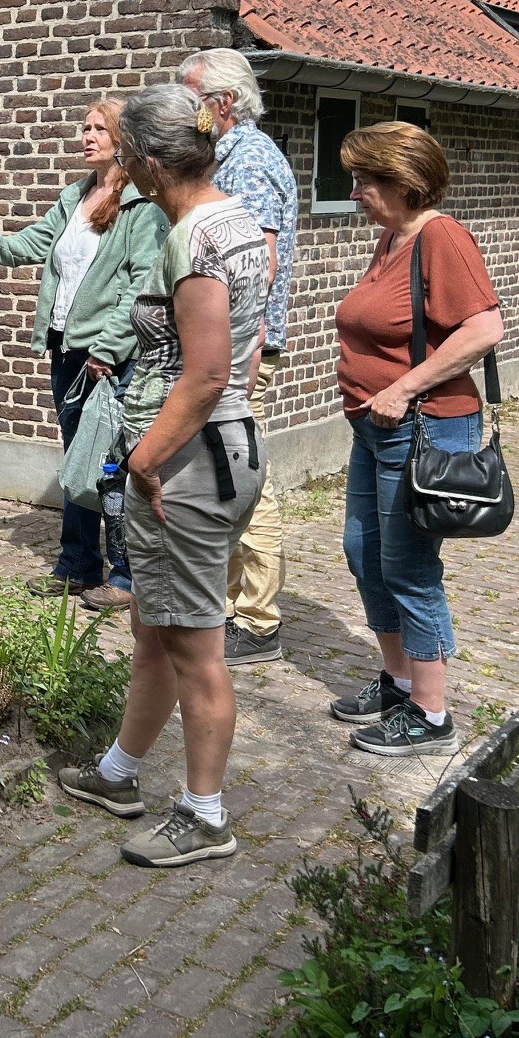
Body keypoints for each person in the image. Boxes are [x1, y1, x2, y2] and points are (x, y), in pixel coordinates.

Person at [58, 83, 269, 868]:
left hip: (185, 462)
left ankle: (206, 815)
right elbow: (240, 349)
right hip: (219, 450)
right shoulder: (235, 217)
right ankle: (119, 773)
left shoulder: (190, 240)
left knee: (194, 647)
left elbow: (207, 372)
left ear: (147, 161)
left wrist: (143, 458)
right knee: (158, 626)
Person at [331, 121, 502, 757]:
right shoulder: (393, 238)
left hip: (421, 425)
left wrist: (404, 388)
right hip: (374, 427)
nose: (354, 191)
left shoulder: (440, 236)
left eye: (364, 180)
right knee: (362, 550)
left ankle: (432, 713)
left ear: (403, 183)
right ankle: (399, 679)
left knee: (407, 566)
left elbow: (484, 327)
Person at [0, 99, 166, 609]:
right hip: (66, 349)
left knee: (109, 464)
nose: (87, 135)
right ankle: (78, 566)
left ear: (123, 139)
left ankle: (126, 576)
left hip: (106, 356)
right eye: (85, 126)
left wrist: (109, 347)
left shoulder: (140, 208)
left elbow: (143, 286)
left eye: (100, 128)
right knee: (80, 461)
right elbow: (34, 244)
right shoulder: (75, 196)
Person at [180, 49, 298, 668]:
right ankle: (231, 607)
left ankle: (257, 619)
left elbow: (257, 264)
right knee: (228, 475)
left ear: (223, 104)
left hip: (239, 346)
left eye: (191, 97)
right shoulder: (228, 157)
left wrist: (242, 352)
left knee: (246, 478)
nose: (184, 108)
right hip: (228, 346)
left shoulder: (249, 163)